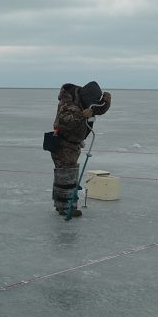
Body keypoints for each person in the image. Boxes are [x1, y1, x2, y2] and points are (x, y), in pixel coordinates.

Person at [49, 82, 112, 217]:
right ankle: (66, 208)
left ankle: (62, 205)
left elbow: (96, 110)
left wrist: (106, 103)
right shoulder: (68, 103)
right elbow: (64, 121)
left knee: (66, 176)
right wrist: (82, 115)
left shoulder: (82, 102)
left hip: (73, 145)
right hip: (63, 144)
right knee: (66, 177)